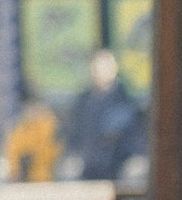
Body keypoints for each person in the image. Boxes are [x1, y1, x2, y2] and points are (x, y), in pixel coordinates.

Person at [62, 49, 145, 182]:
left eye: (105, 67)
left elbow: (136, 141)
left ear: (114, 69)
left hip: (117, 166)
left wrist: (135, 160)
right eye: (96, 67)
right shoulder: (83, 102)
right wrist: (73, 157)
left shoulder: (126, 102)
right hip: (87, 166)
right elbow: (73, 136)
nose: (100, 71)